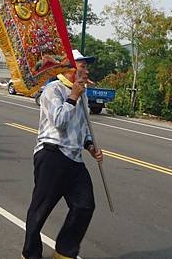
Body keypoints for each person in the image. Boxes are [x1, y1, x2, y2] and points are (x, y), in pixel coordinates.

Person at [22, 50, 104, 259]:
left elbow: (83, 126)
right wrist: (73, 95)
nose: (86, 70)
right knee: (41, 209)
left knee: (84, 205)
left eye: (86, 66)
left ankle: (64, 252)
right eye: (82, 66)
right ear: (68, 68)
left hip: (74, 158)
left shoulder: (82, 93)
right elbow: (59, 121)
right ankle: (31, 254)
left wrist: (90, 145)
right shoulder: (53, 90)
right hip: (52, 154)